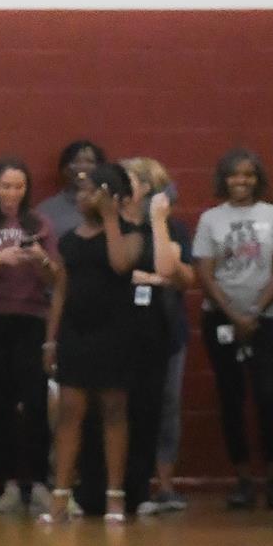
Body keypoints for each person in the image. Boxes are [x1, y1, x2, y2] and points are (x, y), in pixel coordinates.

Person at [192, 149, 273, 510]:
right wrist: (234, 315)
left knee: (270, 395)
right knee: (230, 398)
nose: (242, 181)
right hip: (221, 318)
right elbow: (204, 272)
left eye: (249, 175)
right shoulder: (210, 220)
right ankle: (243, 478)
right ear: (224, 179)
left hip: (268, 318)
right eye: (235, 175)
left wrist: (255, 312)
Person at [43, 163, 142, 524]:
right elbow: (60, 292)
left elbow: (120, 265)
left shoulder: (130, 233)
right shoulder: (69, 240)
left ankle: (115, 496)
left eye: (91, 191)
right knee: (70, 413)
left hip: (115, 333)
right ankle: (60, 497)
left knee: (114, 410)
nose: (82, 197)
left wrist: (111, 218)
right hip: (76, 333)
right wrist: (50, 341)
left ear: (111, 196)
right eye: (81, 192)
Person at [0, 158, 59, 516]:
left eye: (18, 187)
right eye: (5, 186)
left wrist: (40, 260)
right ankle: (4, 483)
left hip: (31, 318)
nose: (11, 194)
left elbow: (56, 279)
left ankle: (36, 483)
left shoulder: (40, 224)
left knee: (34, 402)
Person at [119, 158, 194, 518]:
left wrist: (160, 274)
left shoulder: (171, 227)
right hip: (123, 330)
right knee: (123, 404)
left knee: (166, 404)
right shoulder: (113, 227)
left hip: (165, 326)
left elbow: (178, 273)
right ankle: (125, 483)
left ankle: (163, 483)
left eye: (129, 180)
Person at [37, 140, 106, 241]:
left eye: (90, 161)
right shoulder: (46, 211)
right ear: (64, 169)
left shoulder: (110, 206)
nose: (82, 167)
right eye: (76, 161)